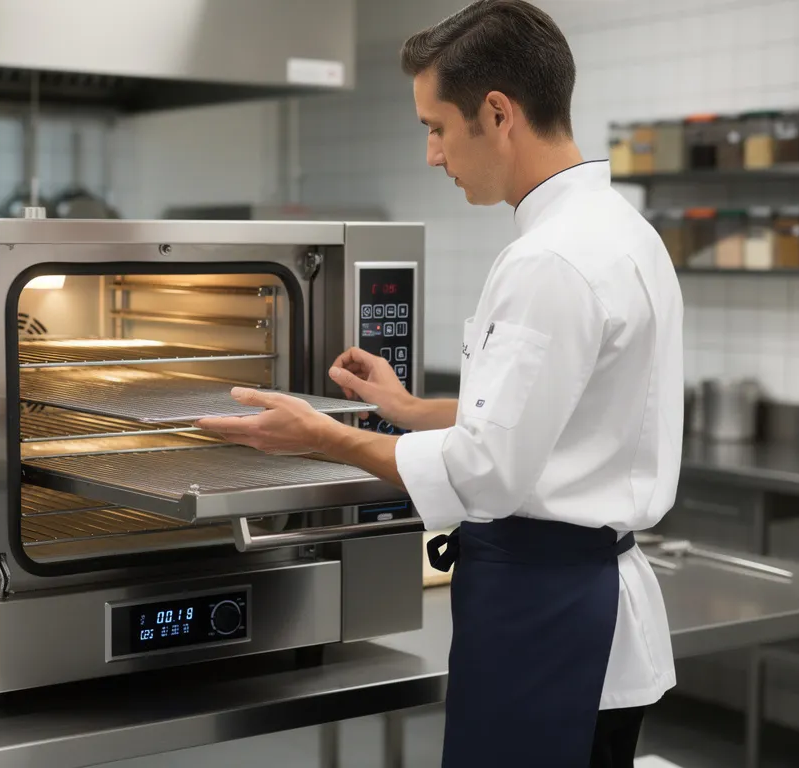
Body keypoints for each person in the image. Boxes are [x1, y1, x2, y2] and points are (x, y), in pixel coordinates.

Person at [194, 1, 682, 765]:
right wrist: (412, 409)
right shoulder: (625, 234)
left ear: (496, 113)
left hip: (548, 624)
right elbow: (566, 412)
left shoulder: (549, 260)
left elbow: (487, 471)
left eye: (435, 127)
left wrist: (322, 437)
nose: (431, 154)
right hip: (587, 618)